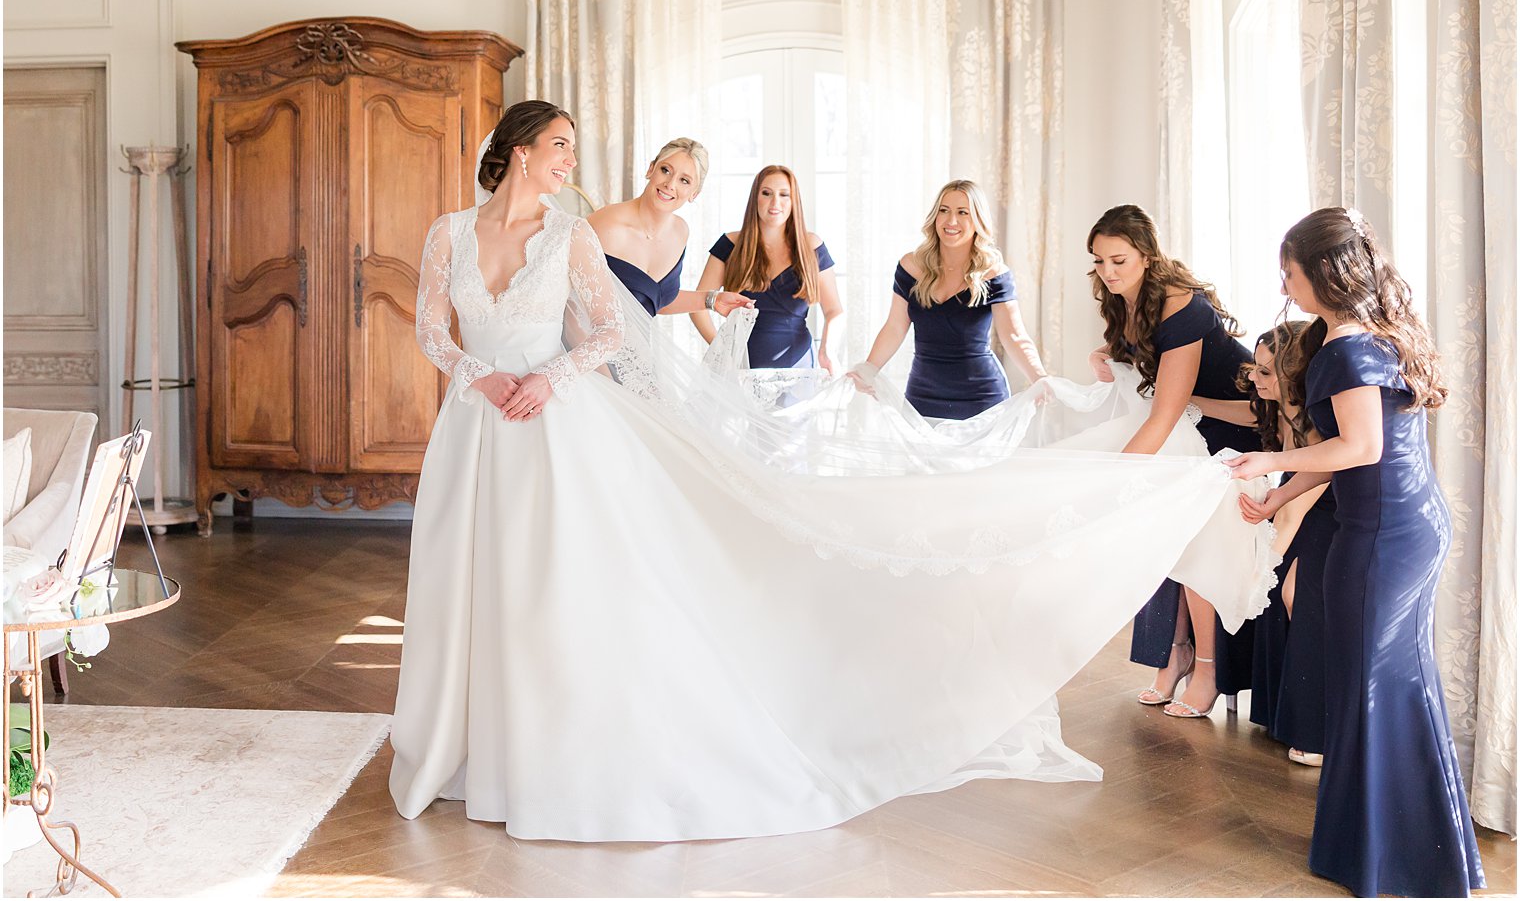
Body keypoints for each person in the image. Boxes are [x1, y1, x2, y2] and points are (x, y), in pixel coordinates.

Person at [388, 100, 1274, 844]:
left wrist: (544, 376)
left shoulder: (571, 236)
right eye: (559, 149)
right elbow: (433, 329)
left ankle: (536, 750)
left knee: (547, 588)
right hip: (475, 426)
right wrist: (483, 375)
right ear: (514, 151)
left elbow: (615, 331)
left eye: (572, 151)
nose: (570, 163)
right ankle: (466, 744)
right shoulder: (448, 233)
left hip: (551, 420)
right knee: (473, 584)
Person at [1227, 208, 1485, 897]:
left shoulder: (1343, 346)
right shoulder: (1369, 333)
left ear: (1322, 273)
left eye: (1290, 269)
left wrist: (1268, 458)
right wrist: (1280, 495)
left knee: (1374, 687)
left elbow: (1360, 447)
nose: (1283, 281)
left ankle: (1388, 854)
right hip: (1404, 525)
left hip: (1382, 536)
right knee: (1384, 684)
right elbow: (1349, 449)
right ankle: (1401, 847)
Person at [1087, 205, 1259, 718]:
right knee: (1166, 539)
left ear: (1147, 255)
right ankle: (1177, 654)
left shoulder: (1182, 304)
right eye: (1098, 261)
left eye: (1118, 260)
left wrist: (1107, 484)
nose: (1108, 272)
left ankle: (1207, 666)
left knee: (1199, 542)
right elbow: (1143, 357)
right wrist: (1104, 353)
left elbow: (1162, 416)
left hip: (1233, 426)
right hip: (1189, 423)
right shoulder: (1125, 297)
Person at [1192, 321, 1332, 765]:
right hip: (1292, 500)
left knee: (1284, 590)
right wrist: (1188, 400)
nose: (1255, 379)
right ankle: (1271, 708)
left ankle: (1313, 723)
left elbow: (1296, 510)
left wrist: (1265, 566)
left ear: (1294, 374)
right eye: (1255, 368)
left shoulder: (1314, 420)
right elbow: (1245, 413)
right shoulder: (1275, 406)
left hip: (1327, 508)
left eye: (1266, 373)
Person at [847, 181, 1047, 420]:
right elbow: (895, 327)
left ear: (977, 221)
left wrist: (1039, 378)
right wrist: (869, 369)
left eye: (963, 212)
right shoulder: (910, 267)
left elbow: (1014, 335)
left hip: (982, 399)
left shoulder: (993, 273)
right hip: (923, 396)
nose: (951, 221)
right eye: (944, 210)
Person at [691, 165, 843, 371]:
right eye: (766, 193)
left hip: (798, 369)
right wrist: (722, 351)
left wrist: (827, 350)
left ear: (793, 201)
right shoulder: (729, 244)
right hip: (739, 369)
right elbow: (697, 306)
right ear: (755, 198)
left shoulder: (812, 246)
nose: (775, 203)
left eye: (784, 194)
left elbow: (834, 310)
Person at [586, 137, 751, 319]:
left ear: (694, 193)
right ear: (651, 169)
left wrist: (713, 300)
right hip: (592, 343)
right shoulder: (605, 225)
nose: (670, 185)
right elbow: (567, 298)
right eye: (665, 170)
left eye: (684, 181)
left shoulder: (680, 231)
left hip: (639, 345)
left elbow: (656, 300)